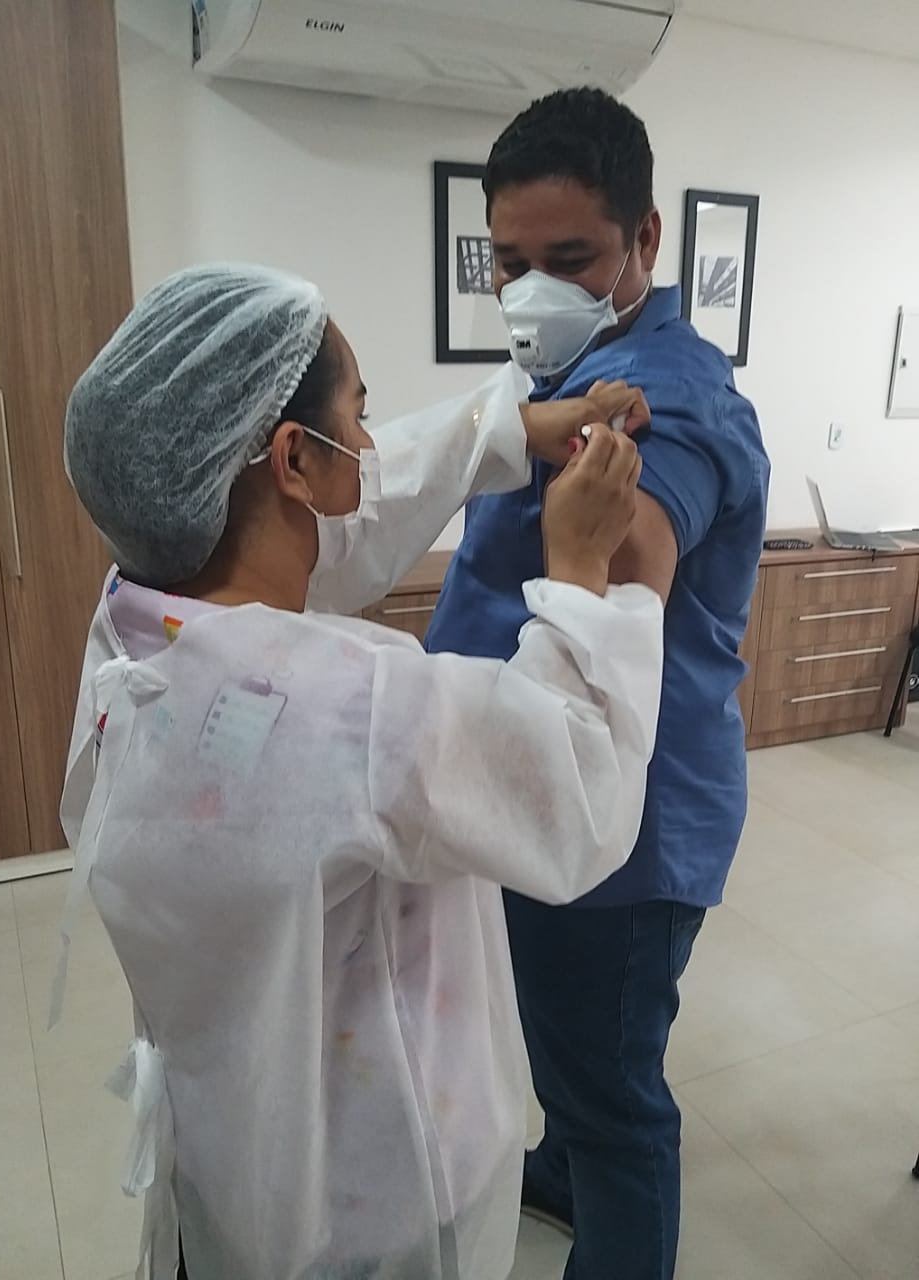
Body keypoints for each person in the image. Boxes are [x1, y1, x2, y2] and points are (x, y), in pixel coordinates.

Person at [56, 262, 666, 1280]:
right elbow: (573, 791)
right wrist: (581, 574)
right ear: (294, 458)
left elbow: (317, 531)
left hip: (230, 1161)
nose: (372, 450)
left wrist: (509, 431)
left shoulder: (137, 631)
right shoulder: (351, 706)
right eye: (359, 418)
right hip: (378, 1201)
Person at [426, 89, 770, 1280]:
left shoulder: (666, 394)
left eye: (567, 260)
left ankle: (598, 1180)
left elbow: (634, 560)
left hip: (622, 829)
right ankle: (563, 1164)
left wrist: (594, 525)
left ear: (643, 239)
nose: (531, 291)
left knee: (615, 1089)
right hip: (540, 782)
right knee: (566, 1043)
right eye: (509, 262)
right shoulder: (573, 367)